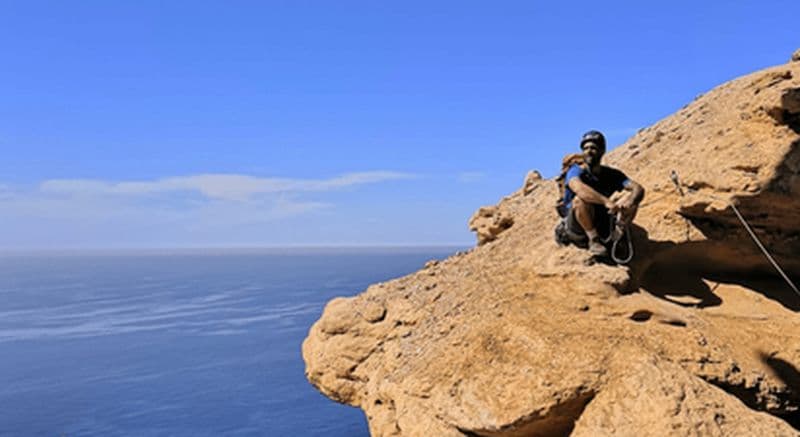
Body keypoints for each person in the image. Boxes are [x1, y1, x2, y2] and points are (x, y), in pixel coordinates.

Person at [562, 130, 645, 257]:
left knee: (632, 200)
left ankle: (617, 236)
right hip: (577, 226)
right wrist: (606, 202)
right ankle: (593, 240)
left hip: (602, 220)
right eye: (585, 148)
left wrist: (630, 201)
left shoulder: (611, 174)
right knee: (580, 200)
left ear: (602, 151)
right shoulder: (575, 171)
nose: (588, 151)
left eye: (593, 148)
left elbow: (637, 188)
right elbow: (580, 189)